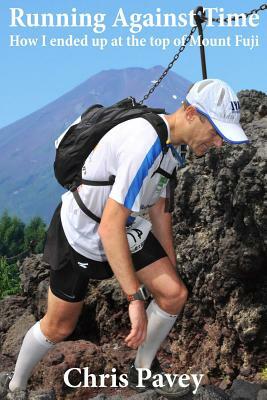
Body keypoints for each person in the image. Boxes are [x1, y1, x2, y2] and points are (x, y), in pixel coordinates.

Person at [0, 79, 249, 400]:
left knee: (173, 294)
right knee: (59, 326)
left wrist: (168, 271)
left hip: (123, 227)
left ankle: (142, 372)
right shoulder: (142, 142)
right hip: (82, 230)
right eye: (215, 132)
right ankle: (14, 386)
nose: (217, 143)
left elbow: (160, 210)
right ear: (190, 113)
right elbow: (108, 228)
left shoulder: (171, 150)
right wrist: (135, 300)